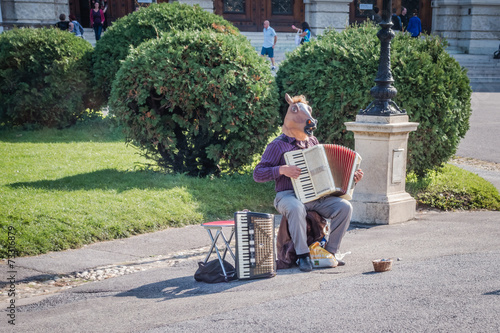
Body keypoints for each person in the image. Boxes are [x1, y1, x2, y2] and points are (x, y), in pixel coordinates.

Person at [253, 94, 364, 272]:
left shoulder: (312, 142)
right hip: (287, 195)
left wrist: (352, 179)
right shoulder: (277, 145)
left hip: (315, 196)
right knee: (297, 208)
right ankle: (303, 255)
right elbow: (257, 174)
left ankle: (329, 253)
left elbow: (326, 174)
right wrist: (281, 170)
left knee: (344, 207)